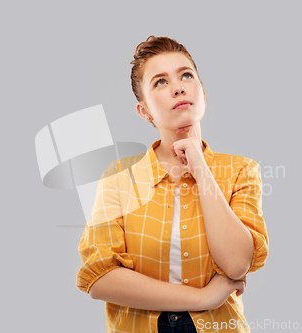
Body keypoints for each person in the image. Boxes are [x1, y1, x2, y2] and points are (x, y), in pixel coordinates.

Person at [77, 36, 269, 333]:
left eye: (186, 75)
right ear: (144, 111)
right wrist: (205, 296)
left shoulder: (240, 170)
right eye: (160, 82)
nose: (178, 87)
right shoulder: (119, 177)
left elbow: (236, 264)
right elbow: (100, 278)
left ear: (202, 93)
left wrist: (201, 169)